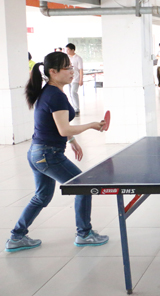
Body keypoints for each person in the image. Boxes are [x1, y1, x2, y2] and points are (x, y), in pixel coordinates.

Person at [5, 52, 108, 253]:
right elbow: (63, 129)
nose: (72, 71)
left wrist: (72, 140)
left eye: (71, 67)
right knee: (83, 186)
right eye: (67, 68)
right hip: (47, 155)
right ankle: (84, 234)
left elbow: (56, 125)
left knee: (42, 196)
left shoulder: (51, 92)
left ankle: (17, 237)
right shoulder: (56, 96)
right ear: (53, 72)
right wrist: (91, 125)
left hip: (37, 153)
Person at [65, 43, 83, 115]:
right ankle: (73, 108)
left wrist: (81, 79)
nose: (67, 51)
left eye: (68, 50)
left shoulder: (78, 58)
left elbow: (80, 69)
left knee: (73, 92)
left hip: (76, 78)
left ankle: (76, 108)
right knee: (70, 93)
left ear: (72, 50)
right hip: (68, 78)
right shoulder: (67, 58)